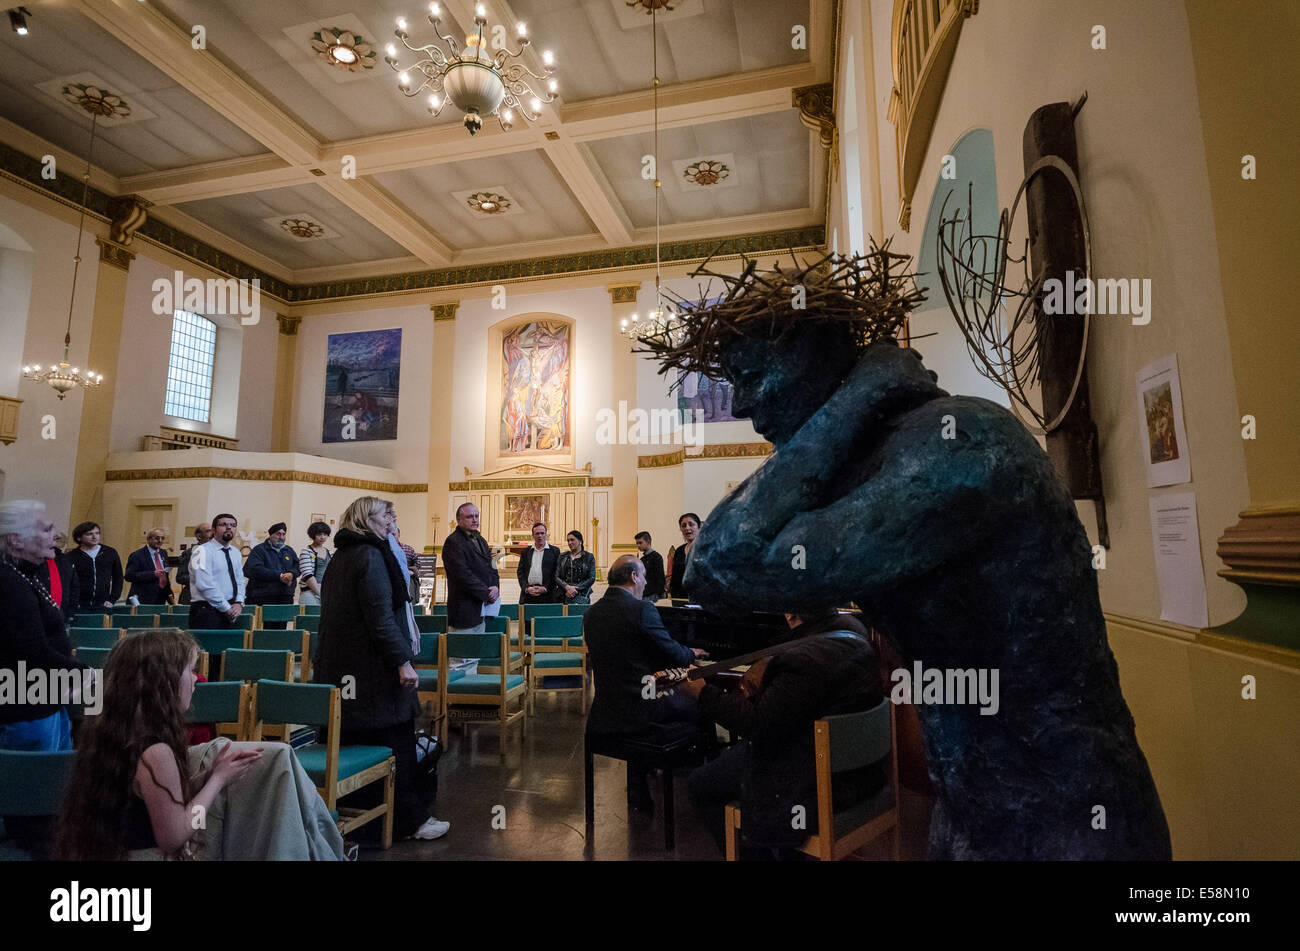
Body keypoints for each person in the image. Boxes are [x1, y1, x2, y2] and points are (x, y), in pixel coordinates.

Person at [56, 628, 344, 860]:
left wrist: (205, 777)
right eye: (189, 671)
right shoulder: (156, 752)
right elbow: (174, 834)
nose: (196, 679)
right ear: (163, 683)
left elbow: (149, 803)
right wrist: (217, 781)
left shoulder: (115, 732)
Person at [683, 609, 883, 859]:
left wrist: (703, 693)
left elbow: (758, 726)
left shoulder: (802, 660)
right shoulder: (854, 627)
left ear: (790, 614)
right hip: (862, 775)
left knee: (700, 784)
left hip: (815, 782)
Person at [313, 497, 448, 841]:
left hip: (342, 668)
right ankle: (408, 821)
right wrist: (402, 661)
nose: (392, 520)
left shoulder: (341, 556)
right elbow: (380, 617)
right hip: (373, 669)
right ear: (365, 519)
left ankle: (362, 822)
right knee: (395, 743)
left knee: (354, 739)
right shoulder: (371, 556)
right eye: (386, 514)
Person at [584, 554, 707, 811]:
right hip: (643, 713)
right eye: (644, 577)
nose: (645, 582)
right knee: (702, 704)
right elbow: (673, 653)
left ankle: (638, 787)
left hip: (606, 711)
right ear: (634, 576)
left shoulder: (592, 613)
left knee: (640, 697)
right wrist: (690, 653)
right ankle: (701, 781)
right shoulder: (641, 609)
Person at [441, 503, 499, 634]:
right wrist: (486, 594)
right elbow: (462, 575)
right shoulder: (453, 542)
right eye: (469, 517)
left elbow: (492, 565)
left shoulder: (480, 540)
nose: (474, 520)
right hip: (463, 609)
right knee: (463, 653)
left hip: (481, 610)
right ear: (459, 520)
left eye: (476, 516)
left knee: (477, 652)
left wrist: (495, 586)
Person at [187, 514, 246, 631]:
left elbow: (240, 580)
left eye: (233, 525)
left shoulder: (235, 552)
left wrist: (239, 602)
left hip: (231, 609)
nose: (229, 527)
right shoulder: (202, 551)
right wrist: (226, 608)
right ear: (213, 530)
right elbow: (204, 585)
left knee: (228, 648)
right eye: (223, 525)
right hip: (206, 610)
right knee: (207, 649)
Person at [243, 522, 298, 627]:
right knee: (263, 630)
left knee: (281, 629)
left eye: (283, 534)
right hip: (263, 597)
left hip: (284, 597)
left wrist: (292, 573)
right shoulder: (259, 550)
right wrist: (279, 576)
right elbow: (254, 569)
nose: (281, 537)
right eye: (278, 534)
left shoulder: (289, 550)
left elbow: (297, 566)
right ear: (270, 535)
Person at [66, 521, 123, 613]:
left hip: (103, 604)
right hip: (79, 605)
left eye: (97, 533)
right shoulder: (71, 556)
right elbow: (67, 582)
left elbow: (118, 577)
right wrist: (73, 601)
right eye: (89, 534)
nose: (94, 537)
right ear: (79, 537)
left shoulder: (110, 553)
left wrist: (112, 599)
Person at [123, 528, 173, 605]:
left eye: (162, 538)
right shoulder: (137, 555)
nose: (160, 541)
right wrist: (152, 574)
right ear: (148, 539)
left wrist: (171, 598)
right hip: (142, 600)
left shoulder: (164, 553)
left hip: (160, 600)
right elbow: (129, 576)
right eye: (157, 538)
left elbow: (164, 576)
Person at [516, 522, 559, 605]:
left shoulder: (554, 551)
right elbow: (520, 572)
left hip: (547, 595)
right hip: (528, 594)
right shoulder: (526, 551)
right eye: (537, 533)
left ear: (546, 534)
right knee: (526, 617)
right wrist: (526, 588)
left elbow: (556, 572)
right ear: (533, 535)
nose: (540, 536)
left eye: (542, 533)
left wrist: (546, 587)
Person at [43, 532, 80, 622]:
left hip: (62, 611)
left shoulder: (66, 560)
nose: (56, 541)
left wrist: (71, 610)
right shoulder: (37, 558)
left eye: (58, 539)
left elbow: (74, 586)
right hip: (41, 610)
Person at [175, 522, 214, 605]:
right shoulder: (189, 553)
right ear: (199, 536)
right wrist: (200, 578)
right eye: (208, 531)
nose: (212, 534)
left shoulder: (217, 553)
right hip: (192, 597)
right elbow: (180, 577)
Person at [666, 513, 702, 600]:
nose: (687, 528)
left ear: (699, 527)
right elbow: (675, 578)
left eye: (691, 524)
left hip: (701, 598)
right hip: (680, 599)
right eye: (683, 526)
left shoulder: (706, 548)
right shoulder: (679, 551)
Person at [555, 530, 595, 606]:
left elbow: (591, 578)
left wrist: (575, 589)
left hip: (581, 594)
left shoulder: (589, 557)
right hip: (563, 594)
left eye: (572, 540)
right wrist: (567, 587)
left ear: (580, 541)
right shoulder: (562, 556)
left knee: (579, 617)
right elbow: (556, 576)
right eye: (568, 540)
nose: (570, 542)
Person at [298, 522, 332, 607]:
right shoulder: (306, 551)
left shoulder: (330, 553)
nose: (322, 537)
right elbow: (307, 575)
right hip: (309, 592)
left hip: (326, 592)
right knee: (310, 619)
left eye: (325, 534)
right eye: (319, 534)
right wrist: (320, 593)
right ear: (313, 535)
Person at [634, 531, 665, 601]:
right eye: (637, 543)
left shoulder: (656, 557)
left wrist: (659, 594)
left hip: (653, 595)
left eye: (640, 542)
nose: (638, 545)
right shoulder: (642, 559)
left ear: (648, 542)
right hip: (643, 593)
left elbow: (660, 577)